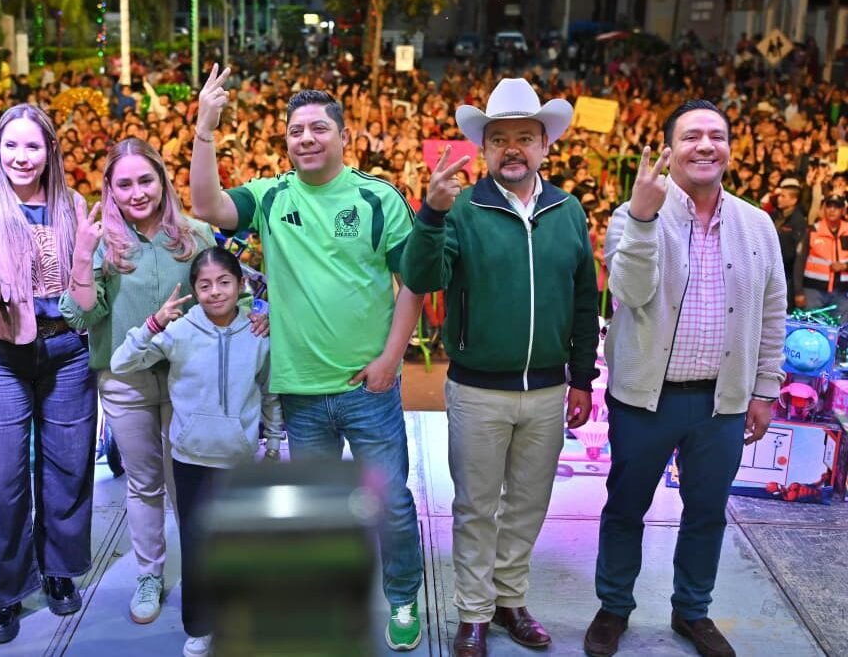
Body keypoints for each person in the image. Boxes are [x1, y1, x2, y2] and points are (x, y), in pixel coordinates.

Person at [190, 65, 426, 652]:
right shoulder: (271, 197)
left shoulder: (378, 197)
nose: (307, 138)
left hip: (368, 388)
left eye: (319, 128)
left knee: (392, 503)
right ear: (286, 141)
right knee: (320, 509)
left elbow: (415, 283)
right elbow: (207, 206)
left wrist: (391, 360)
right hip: (302, 393)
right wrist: (204, 127)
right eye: (296, 130)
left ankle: (401, 596)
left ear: (344, 136)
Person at [400, 77, 599, 657]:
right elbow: (423, 277)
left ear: (544, 145)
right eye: (500, 139)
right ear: (483, 150)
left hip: (546, 390)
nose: (512, 148)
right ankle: (473, 613)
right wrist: (432, 216)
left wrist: (582, 377)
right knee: (474, 507)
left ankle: (511, 601)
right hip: (477, 390)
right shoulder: (463, 207)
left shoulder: (568, 210)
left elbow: (585, 297)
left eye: (525, 138)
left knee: (529, 504)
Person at [585, 100, 786, 657]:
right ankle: (613, 607)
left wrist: (765, 390)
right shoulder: (634, 212)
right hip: (646, 401)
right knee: (626, 508)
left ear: (728, 149)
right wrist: (646, 218)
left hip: (721, 404)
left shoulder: (757, 224)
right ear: (670, 148)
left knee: (705, 512)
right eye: (692, 135)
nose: (705, 145)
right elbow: (628, 291)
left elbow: (773, 313)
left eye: (716, 136)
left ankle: (692, 611)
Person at [0, 103, 97, 645]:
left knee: (68, 468)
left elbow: (86, 293)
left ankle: (59, 569)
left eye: (32, 145)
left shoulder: (73, 207)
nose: (21, 156)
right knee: (1, 481)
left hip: (66, 350)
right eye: (11, 145)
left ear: (50, 151)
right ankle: (5, 591)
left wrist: (88, 256)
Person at [59, 138, 214, 624]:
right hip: (125, 383)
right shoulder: (102, 244)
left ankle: (204, 577)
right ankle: (149, 573)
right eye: (124, 184)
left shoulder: (196, 237)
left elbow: (224, 302)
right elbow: (81, 317)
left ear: (163, 181)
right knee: (145, 484)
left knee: (186, 484)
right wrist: (83, 257)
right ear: (109, 189)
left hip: (187, 382)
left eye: (145, 180)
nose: (137, 192)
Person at [110, 247, 283, 657]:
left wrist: (273, 440)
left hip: (238, 458)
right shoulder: (179, 331)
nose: (215, 292)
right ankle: (201, 625)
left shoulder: (257, 333)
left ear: (241, 285)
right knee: (197, 543)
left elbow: (270, 390)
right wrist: (153, 323)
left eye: (224, 282)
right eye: (204, 285)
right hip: (190, 458)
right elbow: (121, 363)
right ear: (194, 290)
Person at [794, 195, 848, 316]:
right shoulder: (812, 230)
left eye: (837, 207)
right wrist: (798, 291)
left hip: (842, 293)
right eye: (829, 206)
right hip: (813, 291)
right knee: (812, 331)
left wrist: (845, 266)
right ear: (824, 209)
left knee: (842, 333)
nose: (832, 210)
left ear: (843, 210)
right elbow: (799, 262)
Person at [771, 176, 807, 312]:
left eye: (783, 196)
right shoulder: (774, 215)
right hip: (770, 270)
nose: (779, 198)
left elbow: (798, 253)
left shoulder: (798, 221)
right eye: (779, 195)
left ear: (794, 200)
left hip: (787, 274)